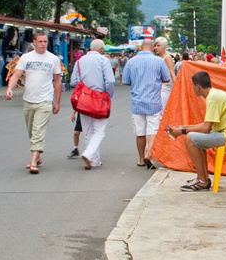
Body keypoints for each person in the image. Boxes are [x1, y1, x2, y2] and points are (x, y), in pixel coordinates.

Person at [166, 70, 226, 192]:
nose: (193, 88)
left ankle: (202, 181)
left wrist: (183, 131)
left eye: (193, 86)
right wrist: (183, 127)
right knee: (195, 138)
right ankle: (203, 179)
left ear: (198, 86)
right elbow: (207, 126)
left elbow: (205, 129)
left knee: (190, 138)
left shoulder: (213, 98)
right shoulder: (214, 95)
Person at [5, 31, 62, 174]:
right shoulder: (26, 57)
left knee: (38, 131)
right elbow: (16, 74)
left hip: (45, 99)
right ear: (34, 42)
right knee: (31, 131)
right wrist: (9, 89)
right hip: (29, 99)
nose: (43, 44)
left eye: (45, 41)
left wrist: (57, 101)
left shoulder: (53, 59)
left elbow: (57, 81)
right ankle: (38, 157)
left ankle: (32, 162)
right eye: (40, 41)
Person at [121, 39, 170, 169]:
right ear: (153, 47)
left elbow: (125, 81)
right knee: (153, 130)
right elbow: (166, 79)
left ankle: (141, 159)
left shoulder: (131, 62)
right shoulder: (159, 61)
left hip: (137, 102)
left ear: (140, 47)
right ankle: (149, 154)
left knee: (140, 132)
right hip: (154, 101)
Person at [69, 39, 115, 170]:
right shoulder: (103, 60)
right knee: (99, 130)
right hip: (99, 98)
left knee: (88, 131)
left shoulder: (80, 61)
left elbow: (74, 81)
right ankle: (89, 154)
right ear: (101, 49)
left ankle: (94, 160)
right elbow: (110, 81)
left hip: (84, 100)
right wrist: (108, 94)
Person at [154, 37, 176, 110]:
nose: (156, 48)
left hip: (164, 90)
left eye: (158, 46)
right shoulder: (159, 58)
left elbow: (172, 74)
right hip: (158, 89)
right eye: (155, 45)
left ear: (164, 47)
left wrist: (177, 89)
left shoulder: (167, 58)